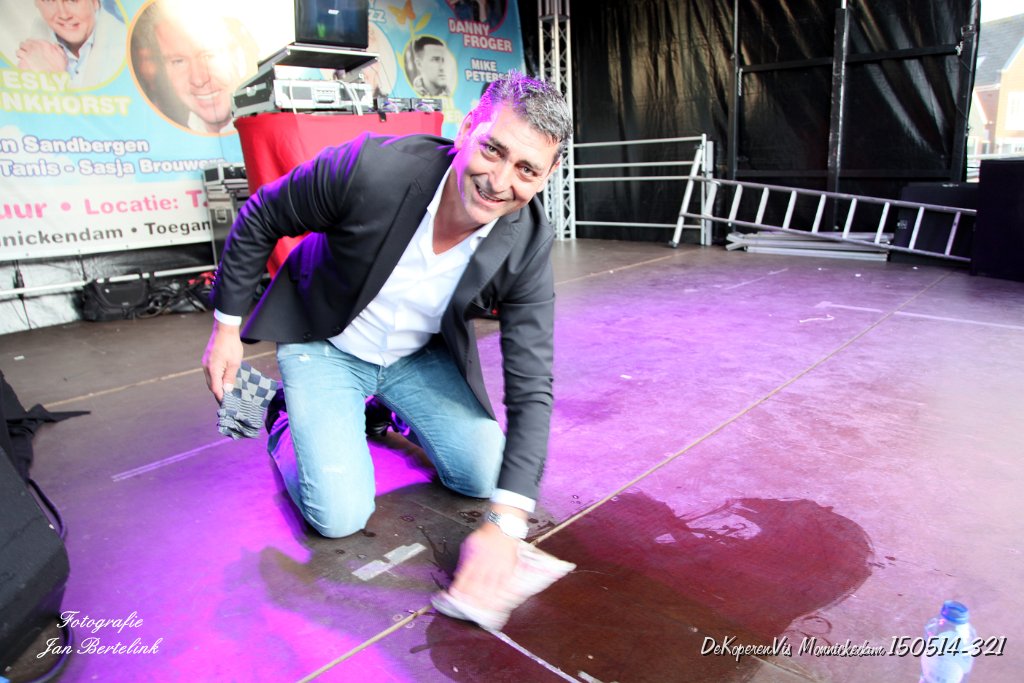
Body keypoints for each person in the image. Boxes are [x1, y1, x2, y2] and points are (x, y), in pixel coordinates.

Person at [202, 72, 571, 609]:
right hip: (326, 339)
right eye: (493, 149)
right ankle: (282, 416)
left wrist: (506, 525)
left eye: (526, 169)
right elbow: (262, 214)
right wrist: (226, 327)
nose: (498, 181)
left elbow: (532, 382)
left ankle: (383, 409)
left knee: (487, 477)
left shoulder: (528, 241)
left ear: (548, 175)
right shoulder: (373, 168)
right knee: (338, 517)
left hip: (414, 355)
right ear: (467, 127)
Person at [147, 1, 252, 134]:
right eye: (178, 61)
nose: (198, 80)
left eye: (208, 56)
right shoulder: (166, 137)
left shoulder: (269, 127)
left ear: (238, 55)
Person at [15, 0, 126, 88]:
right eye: (49, 0)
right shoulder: (38, 32)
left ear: (95, 1)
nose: (63, 15)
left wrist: (56, 79)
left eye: (72, 0)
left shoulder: (125, 46)